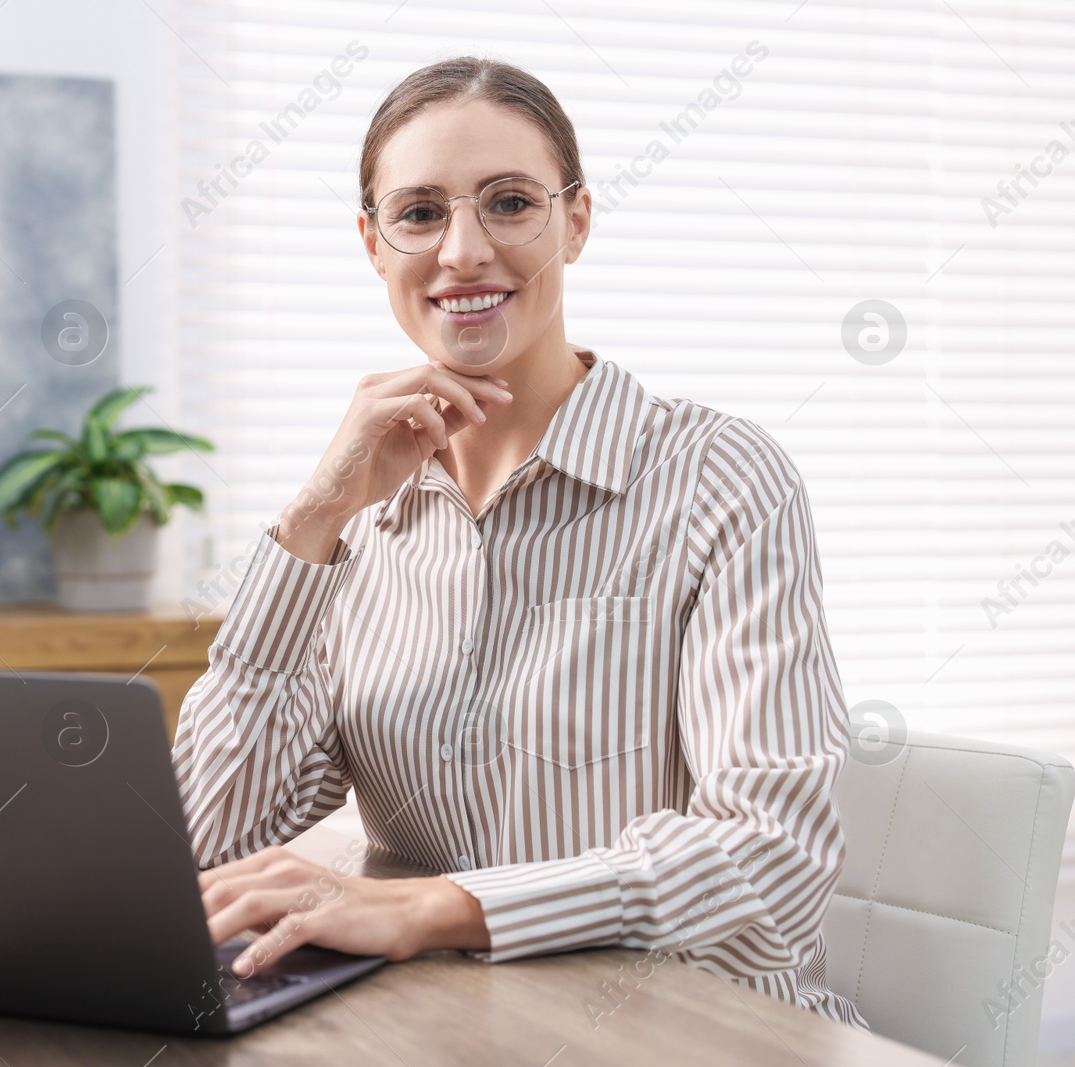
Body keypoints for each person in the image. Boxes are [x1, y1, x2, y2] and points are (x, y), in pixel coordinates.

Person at [171, 55, 867, 1028]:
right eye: (418, 213)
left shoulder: (720, 477)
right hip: (452, 1023)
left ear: (575, 221)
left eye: (507, 202)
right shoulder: (364, 515)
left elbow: (771, 847)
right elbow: (206, 838)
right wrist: (310, 520)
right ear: (373, 244)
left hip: (696, 1030)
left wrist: (435, 906)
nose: (462, 250)